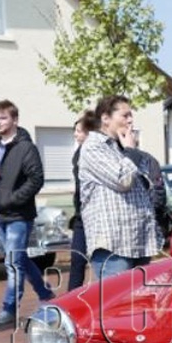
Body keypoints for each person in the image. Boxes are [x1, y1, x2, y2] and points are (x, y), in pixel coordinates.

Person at [0, 99, 54, 326]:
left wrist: (14, 199)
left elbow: (36, 179)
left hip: (19, 215)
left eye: (3, 118)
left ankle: (9, 308)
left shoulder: (26, 148)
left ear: (15, 120)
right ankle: (45, 294)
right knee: (19, 259)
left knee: (13, 263)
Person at [78, 94, 158, 278]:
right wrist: (130, 150)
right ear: (106, 118)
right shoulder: (93, 147)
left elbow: (147, 182)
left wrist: (130, 150)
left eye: (131, 115)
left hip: (139, 240)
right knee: (117, 296)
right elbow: (123, 180)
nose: (130, 120)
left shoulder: (122, 147)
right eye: (125, 115)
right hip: (114, 246)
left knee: (139, 296)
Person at [66, 110, 99, 292]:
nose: (75, 134)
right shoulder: (77, 153)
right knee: (77, 258)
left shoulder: (97, 153)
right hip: (81, 214)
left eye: (78, 131)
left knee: (100, 261)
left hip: (96, 215)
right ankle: (71, 298)